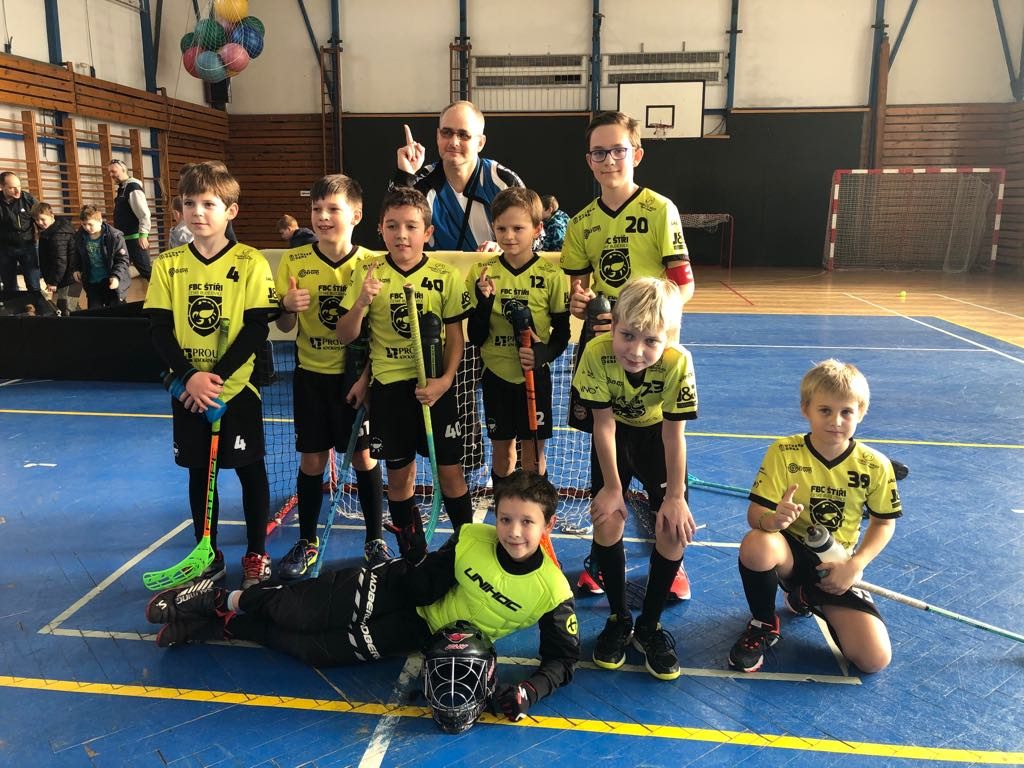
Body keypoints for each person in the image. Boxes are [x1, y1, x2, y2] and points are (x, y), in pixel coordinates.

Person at [145, 470, 579, 725]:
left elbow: (562, 660)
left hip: (419, 630)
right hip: (395, 586)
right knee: (297, 611)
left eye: (527, 522)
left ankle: (222, 625)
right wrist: (416, 557)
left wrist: (529, 691)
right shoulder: (471, 539)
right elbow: (421, 587)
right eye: (505, 519)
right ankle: (220, 599)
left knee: (311, 649)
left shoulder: (553, 591)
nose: (513, 532)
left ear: (548, 526)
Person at [560, 111, 696, 597]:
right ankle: (602, 556)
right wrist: (579, 304)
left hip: (650, 350)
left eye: (618, 149)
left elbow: (684, 284)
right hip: (603, 352)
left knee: (662, 450)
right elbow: (578, 293)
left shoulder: (660, 210)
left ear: (636, 154)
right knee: (606, 454)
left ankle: (672, 558)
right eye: (599, 151)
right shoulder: (580, 223)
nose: (609, 159)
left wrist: (650, 328)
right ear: (589, 161)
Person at [144, 161, 278, 589]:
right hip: (188, 392)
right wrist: (188, 377)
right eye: (189, 203)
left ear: (230, 211)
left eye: (208, 204)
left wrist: (214, 378)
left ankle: (256, 552)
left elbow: (256, 328)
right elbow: (159, 329)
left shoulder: (250, 261)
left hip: (235, 390)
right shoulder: (168, 264)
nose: (197, 212)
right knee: (200, 474)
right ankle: (208, 552)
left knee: (250, 470)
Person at [727, 359, 902, 674]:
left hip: (835, 563)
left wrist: (855, 565)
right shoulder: (784, 452)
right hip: (790, 554)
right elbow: (755, 516)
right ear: (805, 408)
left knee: (873, 660)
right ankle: (764, 622)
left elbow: (884, 523)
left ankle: (805, 596)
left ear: (861, 412)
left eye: (846, 412)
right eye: (825, 410)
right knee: (757, 544)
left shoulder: (875, 465)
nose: (836, 421)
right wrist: (773, 521)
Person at [335, 187, 473, 557]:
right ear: (380, 229)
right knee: (399, 479)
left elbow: (455, 337)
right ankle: (413, 553)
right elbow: (346, 335)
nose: (401, 235)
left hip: (435, 387)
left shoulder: (445, 275)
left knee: (450, 474)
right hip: (390, 390)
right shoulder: (368, 272)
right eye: (392, 226)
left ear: (428, 232)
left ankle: (466, 547)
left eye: (411, 226)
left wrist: (445, 381)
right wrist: (362, 301)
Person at [572, 277, 697, 681]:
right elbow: (603, 425)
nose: (636, 350)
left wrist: (675, 496)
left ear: (668, 338)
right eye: (627, 335)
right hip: (615, 436)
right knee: (607, 519)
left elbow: (674, 435)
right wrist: (613, 488)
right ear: (614, 323)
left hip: (657, 438)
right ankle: (619, 617)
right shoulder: (595, 352)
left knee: (673, 529)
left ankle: (650, 624)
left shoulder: (678, 362)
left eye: (650, 341)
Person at [274, 174, 386, 577]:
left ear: (356, 215)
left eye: (332, 209)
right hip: (311, 376)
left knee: (363, 457)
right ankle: (307, 541)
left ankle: (374, 540)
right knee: (312, 460)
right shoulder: (294, 261)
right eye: (316, 209)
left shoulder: (372, 264)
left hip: (355, 378)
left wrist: (367, 378)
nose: (322, 216)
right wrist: (286, 307)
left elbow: (380, 332)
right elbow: (285, 326)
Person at [466, 187, 569, 485]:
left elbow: (562, 332)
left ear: (537, 229)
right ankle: (503, 509)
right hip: (497, 376)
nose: (509, 236)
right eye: (501, 229)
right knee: (503, 456)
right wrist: (484, 304)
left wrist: (542, 354)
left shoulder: (550, 275)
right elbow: (476, 336)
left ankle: (535, 513)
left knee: (533, 456)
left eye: (518, 228)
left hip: (535, 376)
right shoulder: (482, 273)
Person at [390, 100, 524, 252]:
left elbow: (535, 238)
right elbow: (389, 237)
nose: (454, 142)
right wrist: (405, 176)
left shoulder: (503, 182)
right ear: (438, 136)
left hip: (494, 268)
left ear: (480, 143)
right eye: (446, 133)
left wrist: (503, 248)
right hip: (436, 268)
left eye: (463, 135)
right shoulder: (421, 183)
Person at [71, 205, 130, 308]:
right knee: (95, 312)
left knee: (117, 312)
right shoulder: (79, 237)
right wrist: (76, 269)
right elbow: (77, 255)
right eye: (84, 224)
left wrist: (116, 276)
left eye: (90, 224)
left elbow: (123, 260)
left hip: (111, 280)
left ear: (100, 221)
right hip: (92, 282)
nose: (87, 228)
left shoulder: (115, 236)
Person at [108, 158, 152, 284]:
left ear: (123, 170)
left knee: (146, 271)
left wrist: (143, 235)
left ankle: (165, 293)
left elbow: (144, 213)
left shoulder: (133, 188)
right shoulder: (122, 188)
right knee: (120, 270)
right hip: (124, 239)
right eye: (109, 172)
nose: (111, 175)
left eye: (113, 171)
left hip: (135, 239)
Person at [32, 202, 77, 315]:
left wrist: (53, 282)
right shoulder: (50, 231)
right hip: (65, 277)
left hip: (69, 278)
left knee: (66, 309)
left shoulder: (58, 235)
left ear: (52, 215)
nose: (40, 222)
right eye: (37, 220)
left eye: (42, 219)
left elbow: (60, 261)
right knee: (69, 307)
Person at [0, 172, 40, 292]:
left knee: (33, 285)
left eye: (19, 186)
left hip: (27, 247)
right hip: (4, 249)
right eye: (12, 188)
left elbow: (42, 220)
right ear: (2, 187)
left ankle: (36, 304)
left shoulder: (28, 200)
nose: (18, 190)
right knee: (9, 287)